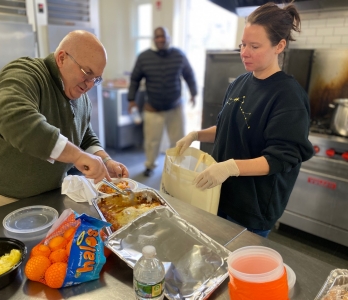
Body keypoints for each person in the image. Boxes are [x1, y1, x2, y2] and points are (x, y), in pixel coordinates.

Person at [176, 2, 314, 238]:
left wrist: (231, 167)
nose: (244, 52)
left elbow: (282, 157)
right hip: (221, 195)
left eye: (254, 46)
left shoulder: (288, 96)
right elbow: (230, 128)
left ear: (279, 46)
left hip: (252, 208)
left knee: (240, 269)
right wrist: (197, 135)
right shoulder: (239, 82)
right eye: (243, 44)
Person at [0, 30, 129, 214]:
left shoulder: (80, 96)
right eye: (87, 73)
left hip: (48, 196)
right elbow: (13, 118)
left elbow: (84, 134)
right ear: (61, 58)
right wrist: (77, 156)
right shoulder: (25, 74)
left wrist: (106, 161)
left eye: (96, 78)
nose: (89, 84)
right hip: (0, 197)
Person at [127, 27, 197, 177]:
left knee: (178, 140)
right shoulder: (144, 57)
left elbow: (189, 75)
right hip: (153, 107)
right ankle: (150, 165)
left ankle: (177, 166)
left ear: (168, 38)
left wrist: (194, 93)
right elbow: (135, 79)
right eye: (157, 37)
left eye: (163, 37)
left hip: (175, 106)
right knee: (152, 141)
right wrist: (131, 100)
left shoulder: (178, 55)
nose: (161, 39)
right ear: (154, 39)